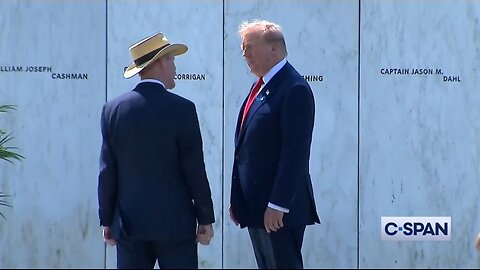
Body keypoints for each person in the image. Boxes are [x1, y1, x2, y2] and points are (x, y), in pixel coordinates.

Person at [97, 32, 215, 269]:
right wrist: (205, 218)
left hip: (129, 224)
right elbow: (194, 169)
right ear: (160, 62)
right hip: (176, 225)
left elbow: (107, 171)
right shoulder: (183, 109)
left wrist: (107, 219)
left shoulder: (113, 110)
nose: (174, 66)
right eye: (171, 59)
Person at [228, 19, 320, 269]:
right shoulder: (262, 86)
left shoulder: (293, 88)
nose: (244, 54)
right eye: (243, 47)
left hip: (277, 211)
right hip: (257, 207)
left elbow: (295, 153)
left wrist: (278, 204)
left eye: (249, 47)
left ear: (274, 49)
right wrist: (239, 200)